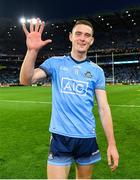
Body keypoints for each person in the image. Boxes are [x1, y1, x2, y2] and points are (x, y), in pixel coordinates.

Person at [20, 18, 119, 179]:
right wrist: (32, 51)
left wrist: (112, 144)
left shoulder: (97, 71)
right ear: (70, 36)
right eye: (78, 33)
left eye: (87, 35)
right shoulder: (55, 63)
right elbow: (25, 80)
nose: (82, 38)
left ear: (92, 40)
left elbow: (103, 108)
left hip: (87, 137)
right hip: (60, 138)